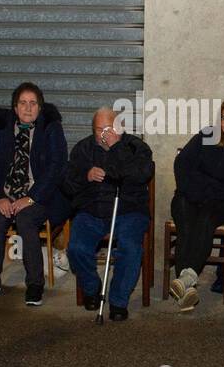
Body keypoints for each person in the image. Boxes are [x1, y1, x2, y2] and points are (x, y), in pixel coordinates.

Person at [0, 82, 68, 307]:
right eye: (23, 103)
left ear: (40, 107)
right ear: (15, 108)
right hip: (6, 195)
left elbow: (57, 167)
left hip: (40, 196)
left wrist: (31, 197)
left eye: (33, 103)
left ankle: (35, 284)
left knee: (27, 220)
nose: (28, 108)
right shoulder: (1, 130)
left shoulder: (50, 130)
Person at [62, 107, 155, 321]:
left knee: (131, 249)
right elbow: (67, 184)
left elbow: (142, 174)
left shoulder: (135, 146)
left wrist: (116, 148)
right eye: (99, 130)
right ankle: (92, 287)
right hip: (91, 210)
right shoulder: (83, 149)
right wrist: (86, 175)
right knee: (76, 248)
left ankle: (118, 300)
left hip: (128, 210)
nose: (104, 134)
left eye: (109, 129)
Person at [168, 98, 224, 311]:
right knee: (186, 218)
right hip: (190, 195)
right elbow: (182, 164)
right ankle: (186, 283)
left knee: (205, 219)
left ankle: (184, 279)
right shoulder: (209, 135)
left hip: (223, 202)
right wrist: (196, 190)